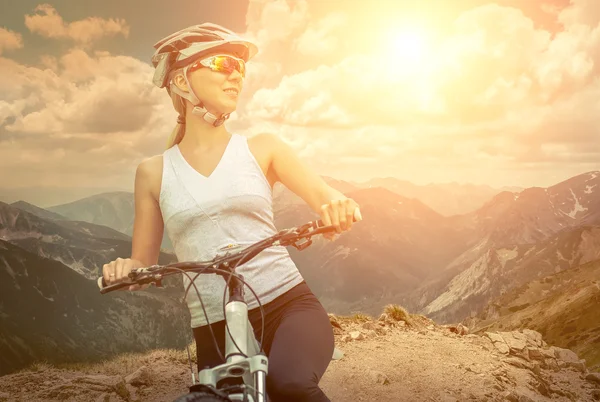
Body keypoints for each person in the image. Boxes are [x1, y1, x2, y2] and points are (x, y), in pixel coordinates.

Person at [102, 22, 362, 402]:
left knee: (288, 384)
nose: (236, 75)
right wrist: (126, 268)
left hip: (286, 305)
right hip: (212, 324)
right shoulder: (153, 173)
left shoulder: (262, 149)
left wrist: (340, 207)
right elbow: (144, 264)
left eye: (241, 68)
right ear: (180, 82)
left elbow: (327, 196)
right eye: (223, 63)